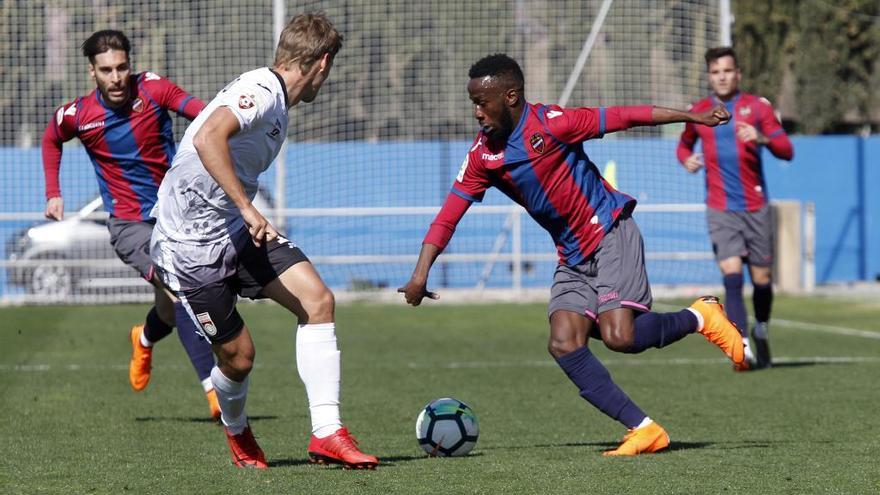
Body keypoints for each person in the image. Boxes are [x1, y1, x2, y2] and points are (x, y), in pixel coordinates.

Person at [399, 53, 745, 457]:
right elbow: (448, 216)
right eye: (473, 102)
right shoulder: (482, 157)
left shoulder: (553, 124)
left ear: (510, 97)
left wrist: (692, 116)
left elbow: (625, 116)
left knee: (620, 337)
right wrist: (420, 275)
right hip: (572, 256)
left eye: (482, 102)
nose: (476, 112)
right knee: (564, 342)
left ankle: (701, 317)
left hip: (611, 231)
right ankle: (645, 429)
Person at [150, 12, 378, 470]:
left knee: (318, 300)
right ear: (323, 64)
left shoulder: (277, 101)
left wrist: (243, 214)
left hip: (236, 232)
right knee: (239, 360)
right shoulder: (261, 91)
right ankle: (237, 433)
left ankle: (327, 434)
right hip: (192, 250)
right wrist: (249, 207)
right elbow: (210, 136)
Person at [41, 30, 219, 419]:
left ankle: (144, 336)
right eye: (107, 70)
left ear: (130, 65)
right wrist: (53, 191)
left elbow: (204, 115)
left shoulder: (154, 90)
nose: (116, 77)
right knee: (180, 292)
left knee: (170, 310)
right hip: (129, 225)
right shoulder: (79, 116)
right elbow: (52, 138)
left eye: (122, 67)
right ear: (93, 72)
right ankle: (213, 391)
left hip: (177, 215)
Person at [676, 47, 794, 370]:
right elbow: (684, 144)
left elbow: (787, 150)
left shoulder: (757, 108)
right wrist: (686, 159)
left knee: (762, 280)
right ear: (709, 76)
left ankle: (761, 328)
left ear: (738, 73)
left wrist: (762, 138)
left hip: (755, 208)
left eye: (727, 71)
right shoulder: (699, 111)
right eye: (715, 72)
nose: (722, 77)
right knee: (731, 275)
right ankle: (741, 346)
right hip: (720, 208)